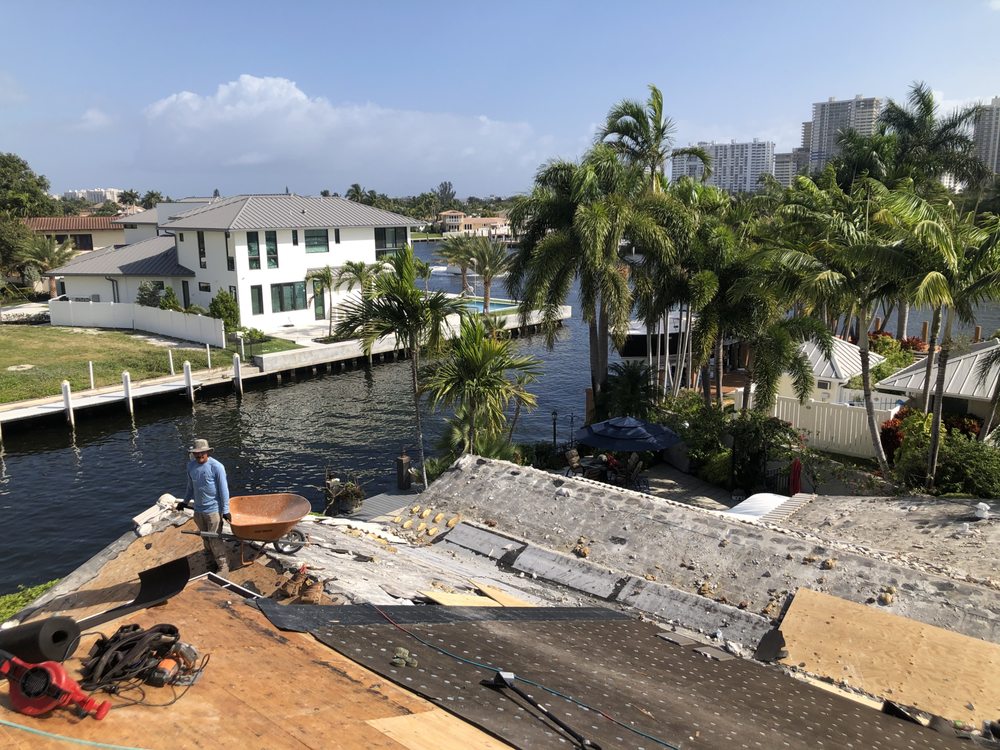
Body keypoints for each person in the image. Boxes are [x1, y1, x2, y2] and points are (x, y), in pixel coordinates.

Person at [178, 438, 231, 574]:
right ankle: (210, 562)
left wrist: (225, 511)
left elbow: (224, 490)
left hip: (213, 510)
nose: (199, 455)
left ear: (208, 452)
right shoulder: (190, 466)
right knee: (205, 538)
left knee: (214, 539)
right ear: (193, 454)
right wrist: (184, 502)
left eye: (202, 453)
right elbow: (191, 487)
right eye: (197, 453)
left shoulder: (217, 467)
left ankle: (223, 566)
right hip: (198, 510)